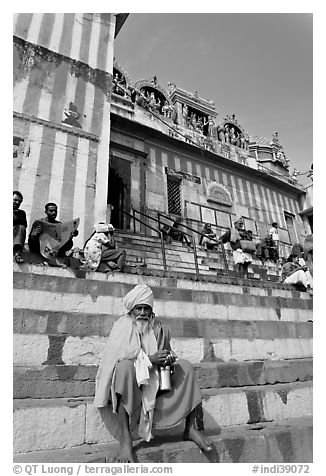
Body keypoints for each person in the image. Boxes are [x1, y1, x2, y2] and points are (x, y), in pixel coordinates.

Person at [93, 284, 214, 463]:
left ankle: (190, 428)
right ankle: (126, 440)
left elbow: (167, 352)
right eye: (138, 308)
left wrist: (169, 358)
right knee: (124, 367)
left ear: (151, 312)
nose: (142, 313)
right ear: (131, 310)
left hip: (156, 381)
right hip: (131, 383)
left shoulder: (158, 328)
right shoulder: (122, 326)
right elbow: (116, 361)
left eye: (146, 309)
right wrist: (149, 360)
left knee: (186, 367)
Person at [13, 191, 27, 264]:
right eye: (15, 200)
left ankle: (17, 254)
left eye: (19, 201)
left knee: (21, 227)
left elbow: (24, 223)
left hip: (14, 235)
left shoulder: (21, 213)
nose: (17, 202)